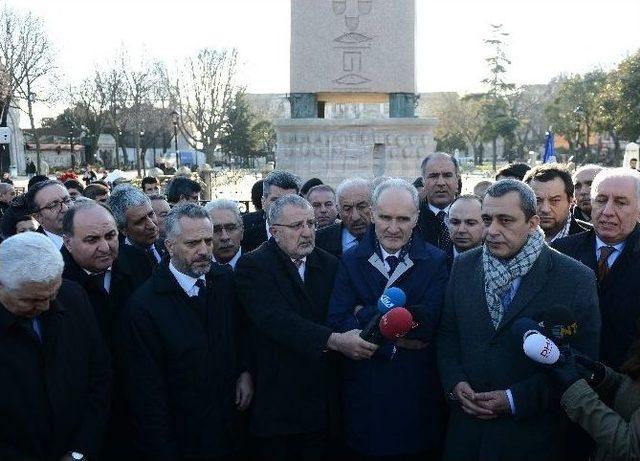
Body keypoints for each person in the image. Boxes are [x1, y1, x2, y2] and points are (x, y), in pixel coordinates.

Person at [437, 179, 600, 461]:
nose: (493, 230)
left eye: (505, 220)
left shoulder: (575, 278)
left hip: (531, 440)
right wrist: (455, 382)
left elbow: (581, 362)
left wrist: (514, 400)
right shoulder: (464, 266)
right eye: (487, 219)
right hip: (466, 436)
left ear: (533, 222)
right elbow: (449, 334)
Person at [235, 194, 377, 460]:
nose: (307, 232)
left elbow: (341, 310)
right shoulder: (254, 266)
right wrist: (334, 340)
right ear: (274, 231)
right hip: (279, 402)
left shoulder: (329, 263)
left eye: (311, 224)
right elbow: (275, 320)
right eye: (297, 225)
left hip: (325, 402)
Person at [328, 178, 448, 459]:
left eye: (403, 219)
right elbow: (337, 319)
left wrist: (365, 313)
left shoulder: (436, 260)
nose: (393, 228)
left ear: (416, 218)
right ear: (372, 214)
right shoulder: (350, 259)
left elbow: (429, 322)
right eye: (385, 217)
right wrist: (396, 325)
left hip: (415, 396)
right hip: (364, 396)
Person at [122, 204, 251, 461]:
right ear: (169, 246)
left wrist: (245, 371)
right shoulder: (143, 307)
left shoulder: (225, 281)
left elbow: (242, 333)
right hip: (183, 438)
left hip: (233, 430)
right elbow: (147, 393)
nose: (204, 250)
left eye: (207, 240)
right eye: (192, 243)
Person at [0, 232, 111, 461]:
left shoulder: (73, 297)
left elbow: (100, 375)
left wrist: (81, 450)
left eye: (51, 294)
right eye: (30, 300)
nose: (45, 306)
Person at [60, 200, 151, 459]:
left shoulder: (138, 262)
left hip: (139, 404)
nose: (105, 247)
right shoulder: (55, 283)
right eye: (91, 240)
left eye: (111, 236)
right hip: (84, 416)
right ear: (68, 242)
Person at [553, 168, 640, 369]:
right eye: (601, 200)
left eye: (620, 202)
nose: (607, 211)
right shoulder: (561, 251)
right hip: (568, 377)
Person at [523, 164, 590, 243]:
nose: (545, 209)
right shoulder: (511, 237)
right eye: (537, 201)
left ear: (571, 200)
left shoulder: (591, 241)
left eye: (555, 200)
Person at [242, 170, 300, 253]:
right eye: (275, 200)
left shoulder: (309, 237)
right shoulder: (244, 239)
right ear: (263, 202)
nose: (282, 207)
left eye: (289, 201)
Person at [315, 178, 372, 257]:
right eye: (347, 209)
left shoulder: (389, 237)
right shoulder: (318, 241)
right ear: (339, 210)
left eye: (361, 207)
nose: (355, 217)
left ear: (373, 206)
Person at [108, 184, 163, 266]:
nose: (151, 225)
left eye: (151, 214)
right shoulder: (118, 265)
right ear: (123, 230)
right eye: (140, 221)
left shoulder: (168, 246)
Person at [417, 153, 460, 256]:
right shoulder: (411, 218)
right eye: (433, 176)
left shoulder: (474, 215)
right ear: (423, 181)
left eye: (447, 175)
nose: (441, 182)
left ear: (457, 180)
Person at [25, 179, 73, 249]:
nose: (65, 209)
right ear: (38, 217)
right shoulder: (32, 250)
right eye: (53, 205)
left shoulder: (89, 232)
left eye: (67, 200)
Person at [205, 199, 244, 269]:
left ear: (242, 231)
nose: (224, 237)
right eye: (216, 230)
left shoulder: (260, 266)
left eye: (231, 228)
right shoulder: (199, 271)